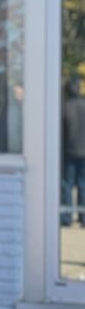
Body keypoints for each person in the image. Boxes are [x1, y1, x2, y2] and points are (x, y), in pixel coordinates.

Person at [62, 76, 85, 226]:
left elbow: (62, 132)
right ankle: (83, 217)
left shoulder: (65, 107)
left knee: (67, 184)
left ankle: (67, 217)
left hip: (69, 151)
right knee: (83, 184)